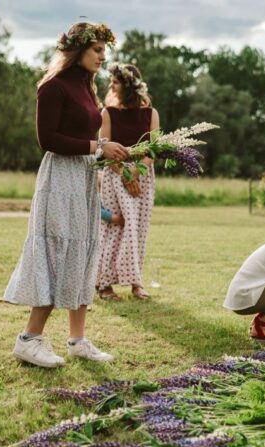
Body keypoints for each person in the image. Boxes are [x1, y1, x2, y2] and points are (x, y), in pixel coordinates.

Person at [4, 22, 126, 368]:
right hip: (59, 179)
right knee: (58, 251)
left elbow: (90, 141)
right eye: (97, 50)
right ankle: (29, 339)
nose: (103, 57)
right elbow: (48, 140)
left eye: (104, 50)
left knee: (83, 251)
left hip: (85, 178)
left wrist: (112, 154)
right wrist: (98, 146)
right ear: (77, 51)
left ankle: (77, 340)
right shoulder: (53, 87)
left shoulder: (88, 88)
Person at [96, 63, 159, 301]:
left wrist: (137, 171)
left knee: (138, 229)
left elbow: (154, 149)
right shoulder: (107, 113)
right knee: (115, 227)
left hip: (143, 176)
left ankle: (136, 282)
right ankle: (104, 284)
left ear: (129, 85)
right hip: (115, 175)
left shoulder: (151, 113)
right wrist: (124, 172)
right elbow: (104, 149)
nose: (110, 86)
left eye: (115, 81)